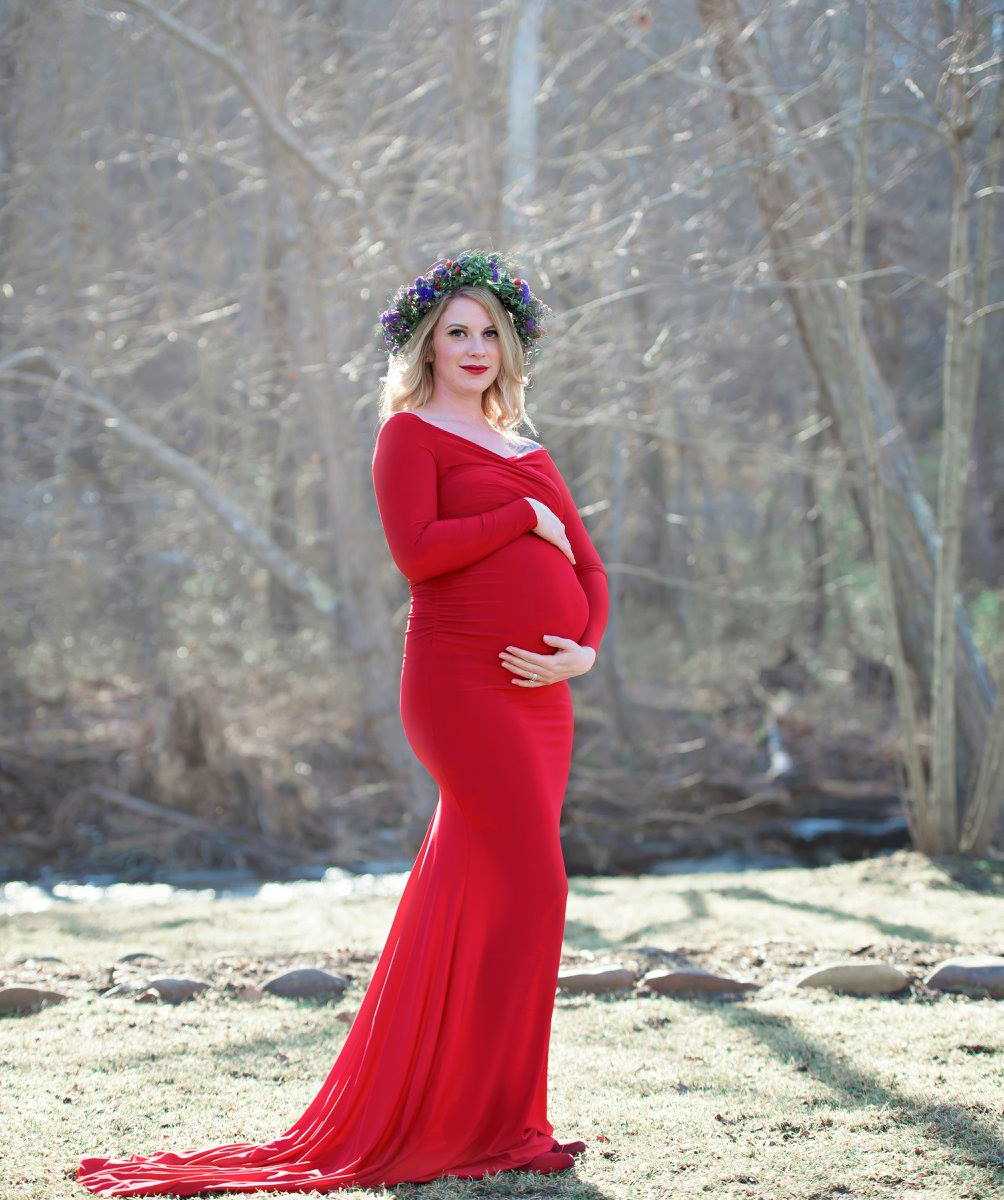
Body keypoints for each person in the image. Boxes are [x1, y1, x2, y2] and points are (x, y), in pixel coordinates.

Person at [76, 249, 609, 1197]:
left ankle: (498, 1117)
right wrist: (523, 524)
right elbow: (419, 553)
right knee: (536, 884)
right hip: (460, 690)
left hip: (544, 698)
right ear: (427, 345)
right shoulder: (409, 436)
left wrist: (587, 648)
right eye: (457, 332)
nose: (476, 347)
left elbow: (592, 573)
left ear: (511, 345)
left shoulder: (530, 449)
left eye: (490, 332)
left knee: (481, 888)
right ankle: (485, 1120)